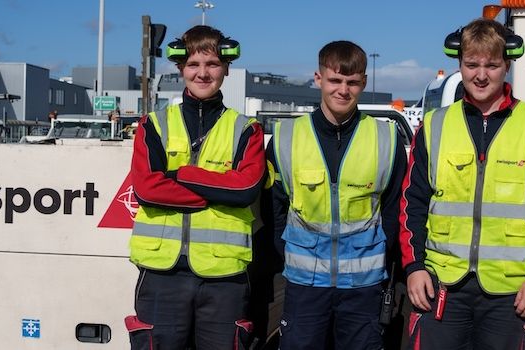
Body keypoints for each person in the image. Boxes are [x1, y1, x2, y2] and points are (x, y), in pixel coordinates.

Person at [400, 18, 525, 349]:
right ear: (459, 64)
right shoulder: (434, 126)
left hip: (512, 293)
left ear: (507, 65)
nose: (481, 75)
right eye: (471, 64)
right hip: (441, 286)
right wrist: (414, 267)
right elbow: (413, 202)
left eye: (492, 65)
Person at [124, 25, 266, 350]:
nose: (203, 74)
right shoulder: (153, 125)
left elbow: (244, 190)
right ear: (180, 68)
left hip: (224, 275)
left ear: (227, 68)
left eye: (212, 64)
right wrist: (218, 188)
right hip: (162, 274)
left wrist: (180, 174)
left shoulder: (247, 129)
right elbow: (147, 188)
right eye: (193, 65)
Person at [267, 40, 407, 350]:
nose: (343, 89)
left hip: (364, 288)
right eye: (335, 80)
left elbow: (395, 208)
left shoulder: (387, 139)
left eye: (352, 82)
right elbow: (274, 210)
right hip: (305, 287)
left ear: (363, 83)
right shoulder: (284, 138)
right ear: (318, 79)